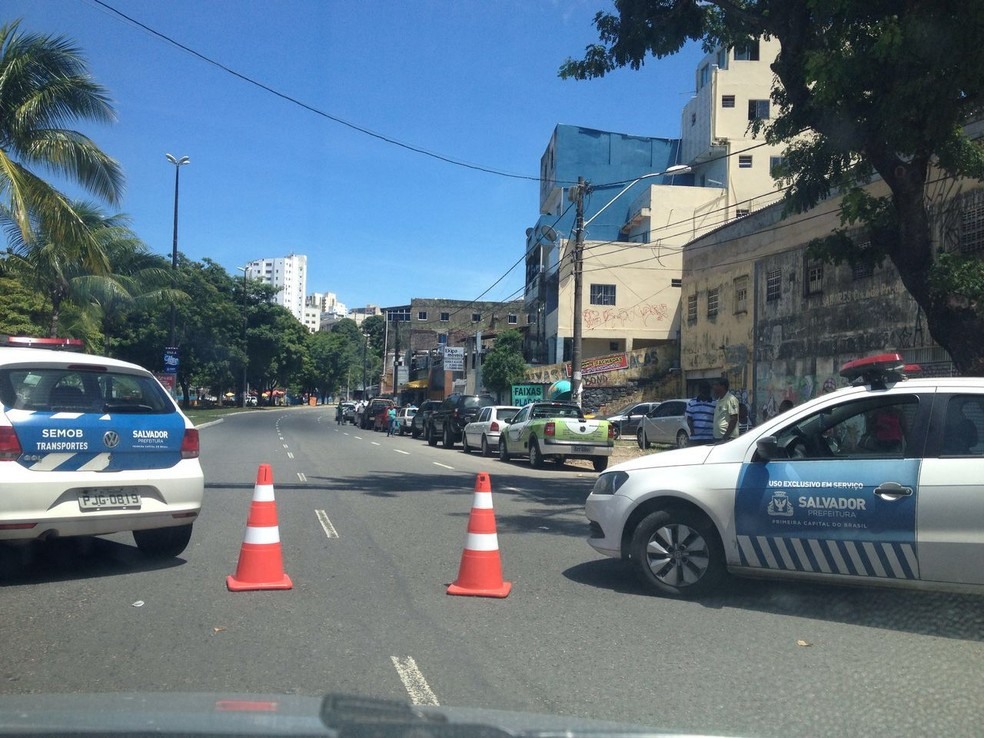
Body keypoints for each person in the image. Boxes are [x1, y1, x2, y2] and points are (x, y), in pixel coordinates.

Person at [685, 381, 716, 446]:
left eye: (707, 390)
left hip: (709, 438)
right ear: (700, 390)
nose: (706, 391)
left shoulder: (715, 403)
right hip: (694, 438)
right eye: (704, 389)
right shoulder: (692, 403)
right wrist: (692, 431)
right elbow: (689, 419)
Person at [712, 376, 740, 441]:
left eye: (716, 385)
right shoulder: (719, 400)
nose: (714, 388)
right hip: (718, 437)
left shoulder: (731, 399)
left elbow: (733, 419)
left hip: (728, 438)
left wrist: (725, 437)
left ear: (723, 386)